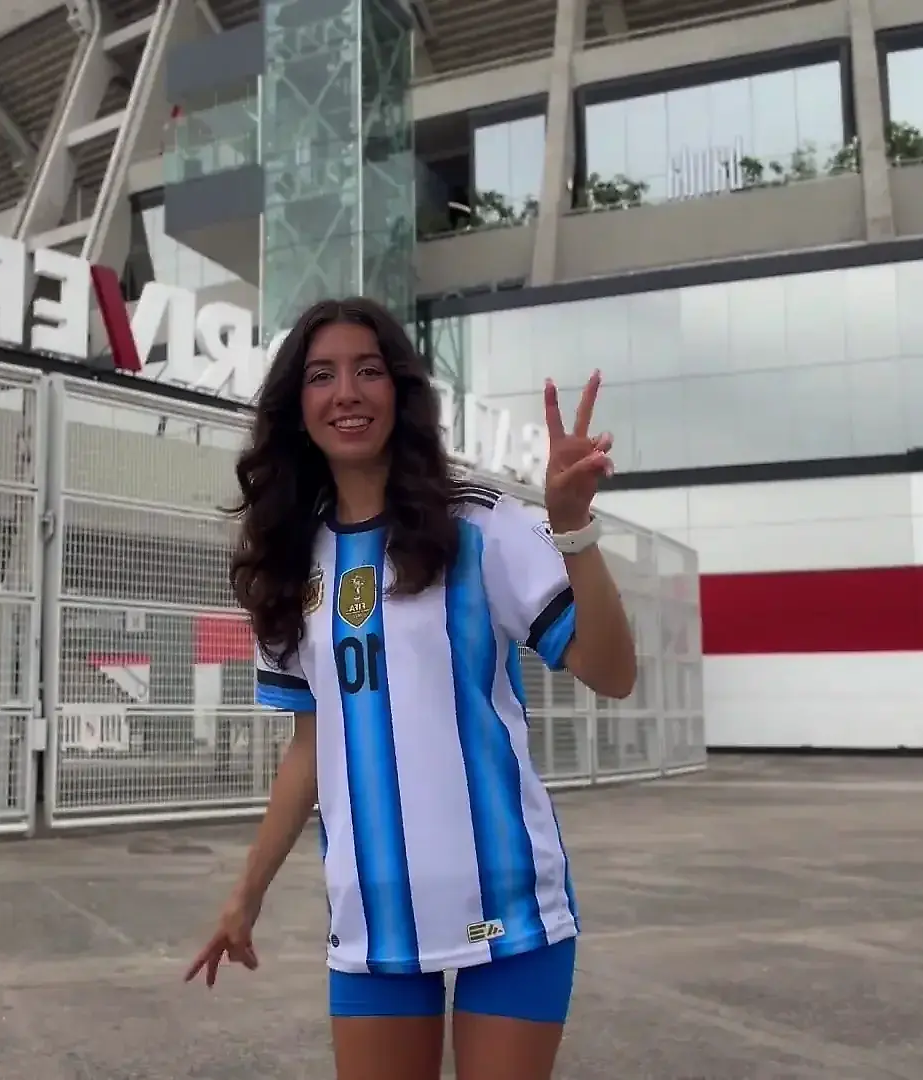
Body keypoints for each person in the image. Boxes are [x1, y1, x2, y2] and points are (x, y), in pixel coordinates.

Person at [184, 297, 638, 1080]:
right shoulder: (289, 563)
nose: (346, 393)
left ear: (401, 390)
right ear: (297, 406)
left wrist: (574, 533)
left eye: (368, 370)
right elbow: (310, 747)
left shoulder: (484, 525)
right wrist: (245, 894)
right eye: (321, 376)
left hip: (511, 909)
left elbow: (613, 672)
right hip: (374, 920)